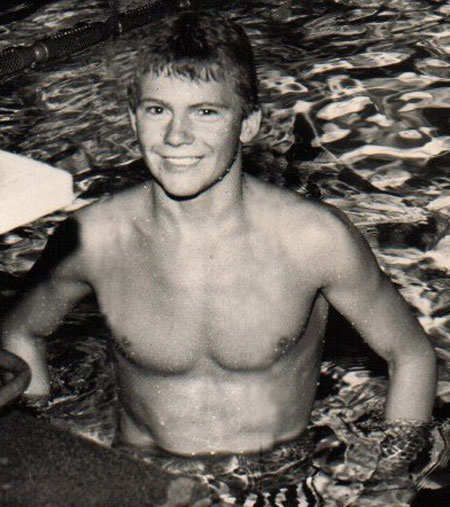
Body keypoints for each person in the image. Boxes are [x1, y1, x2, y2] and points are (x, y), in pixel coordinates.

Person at [1, 10, 437, 500]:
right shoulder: (94, 238)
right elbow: (20, 331)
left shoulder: (314, 240)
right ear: (132, 118)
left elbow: (410, 354)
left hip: (275, 486)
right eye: (157, 110)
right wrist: (43, 434)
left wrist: (389, 481)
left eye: (205, 112)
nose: (176, 137)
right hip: (146, 484)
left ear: (248, 124)